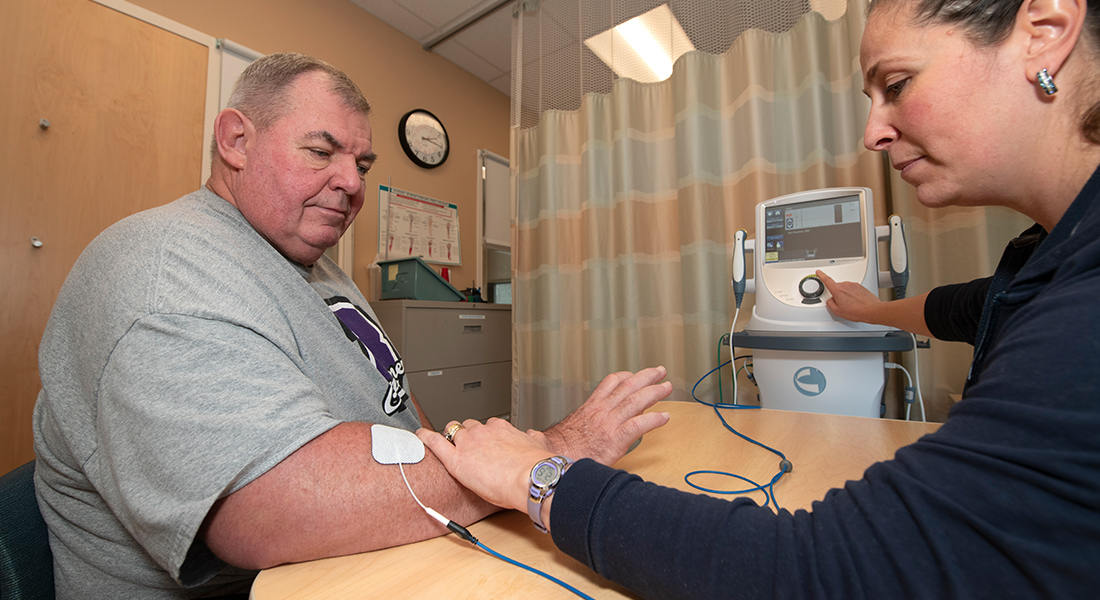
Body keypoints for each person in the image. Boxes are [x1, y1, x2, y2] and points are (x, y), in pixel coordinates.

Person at [418, 0, 1100, 597]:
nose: (872, 132)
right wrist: (870, 311)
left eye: (896, 85)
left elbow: (817, 570)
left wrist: (538, 476)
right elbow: (969, 307)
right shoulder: (1044, 258)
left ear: (1044, 31)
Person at [31, 52, 674, 599]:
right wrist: (545, 458)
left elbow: (397, 409)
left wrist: (482, 459)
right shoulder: (164, 271)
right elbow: (269, 508)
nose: (350, 183)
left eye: (362, 165)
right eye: (321, 151)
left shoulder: (315, 266)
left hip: (373, 559)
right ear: (235, 141)